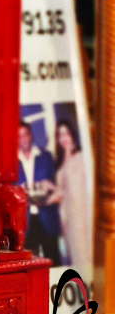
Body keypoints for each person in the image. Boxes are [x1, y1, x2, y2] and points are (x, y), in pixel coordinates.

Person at [18, 120, 61, 262]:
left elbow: (56, 185)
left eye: (25, 134)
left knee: (53, 259)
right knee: (28, 265)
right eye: (19, 136)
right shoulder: (11, 162)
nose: (23, 139)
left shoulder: (46, 156)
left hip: (46, 217)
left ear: (31, 135)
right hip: (25, 222)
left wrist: (47, 192)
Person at [55, 117, 92, 273]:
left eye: (67, 134)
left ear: (73, 135)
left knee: (85, 255)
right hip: (68, 217)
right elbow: (63, 192)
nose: (64, 138)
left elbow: (78, 190)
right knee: (75, 258)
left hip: (82, 215)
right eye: (60, 135)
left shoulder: (81, 157)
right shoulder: (61, 161)